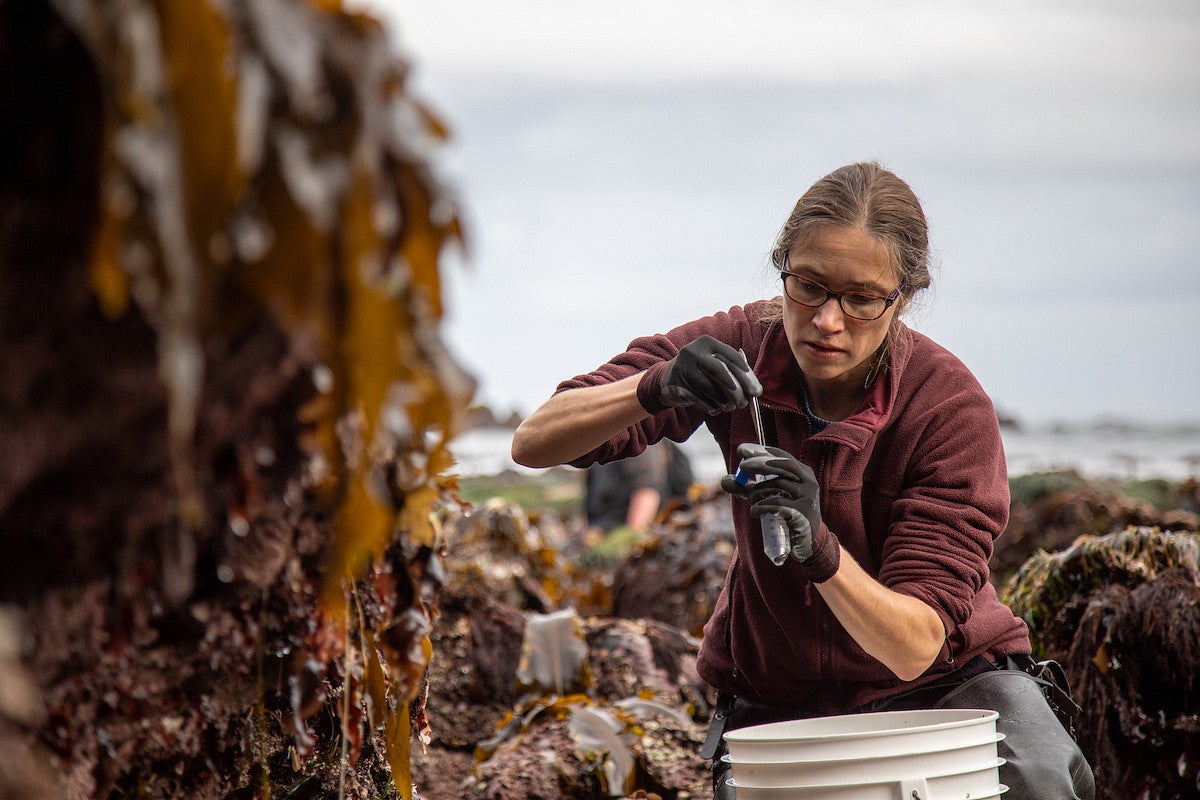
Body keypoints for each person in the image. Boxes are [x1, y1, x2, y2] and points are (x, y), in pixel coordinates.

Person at [511, 162, 1095, 799]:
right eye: (809, 285)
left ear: (904, 295)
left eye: (863, 298)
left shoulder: (948, 407)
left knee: (1042, 783)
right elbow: (535, 442)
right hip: (777, 691)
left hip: (951, 685)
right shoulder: (742, 342)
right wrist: (657, 385)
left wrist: (820, 548)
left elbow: (916, 646)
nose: (827, 320)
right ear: (781, 266)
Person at [585, 439, 694, 533]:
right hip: (608, 530)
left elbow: (647, 493)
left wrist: (629, 543)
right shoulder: (602, 447)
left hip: (643, 532)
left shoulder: (631, 438)